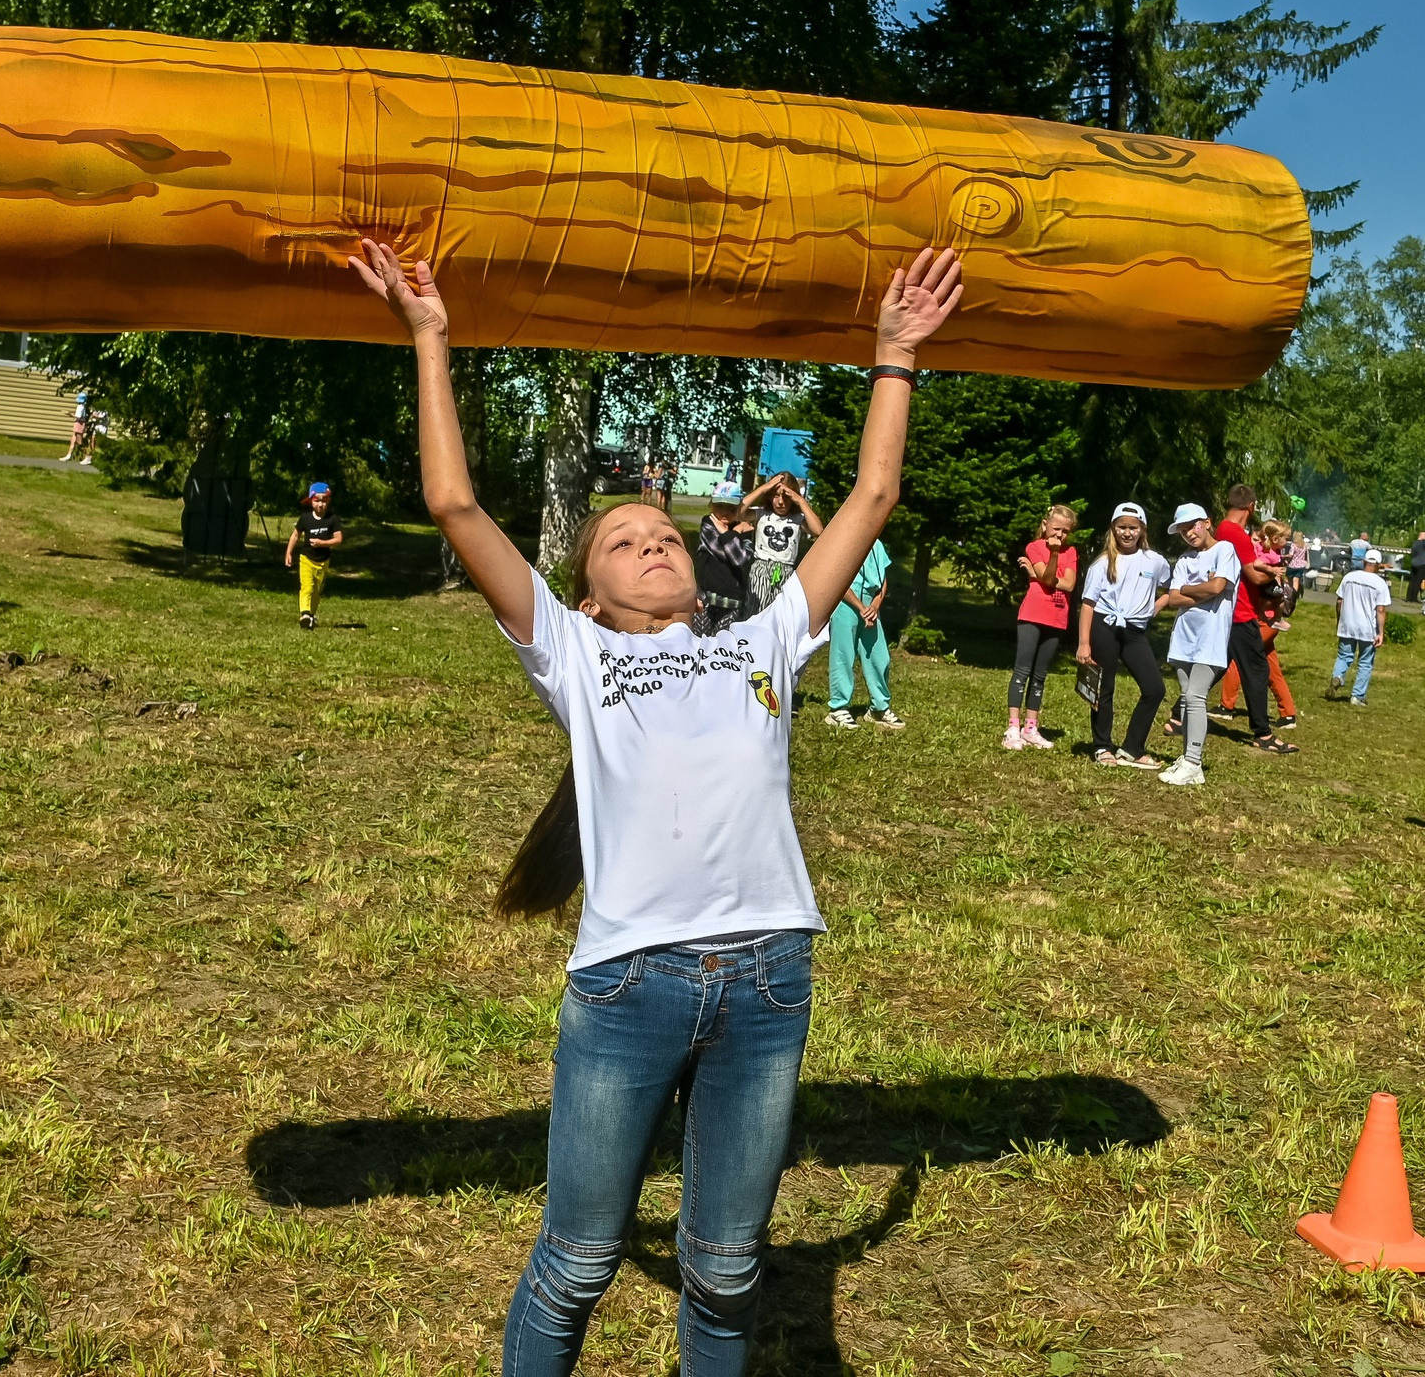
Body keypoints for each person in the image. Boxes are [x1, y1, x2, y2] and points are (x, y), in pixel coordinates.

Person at [347, 233, 963, 1374]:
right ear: (588, 589)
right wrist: (430, 335)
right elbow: (451, 499)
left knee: (726, 1270)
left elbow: (872, 497)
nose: (655, 547)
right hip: (630, 985)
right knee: (579, 1260)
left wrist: (894, 356)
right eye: (626, 543)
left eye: (667, 536)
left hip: (770, 975)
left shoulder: (765, 641)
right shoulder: (572, 655)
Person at [1076, 503, 1171, 768]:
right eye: (1122, 527)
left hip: (1134, 632)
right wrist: (1084, 643)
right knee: (1104, 688)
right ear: (1113, 529)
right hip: (1104, 628)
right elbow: (1088, 604)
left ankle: (1131, 749)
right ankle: (1102, 746)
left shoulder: (1155, 561)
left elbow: (1171, 588)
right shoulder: (1103, 563)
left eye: (1133, 527)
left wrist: (1156, 607)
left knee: (1154, 689)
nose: (1127, 533)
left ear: (1142, 530)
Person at [1155, 503, 1242, 786]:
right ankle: (1187, 760)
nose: (1189, 534)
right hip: (1183, 637)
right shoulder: (1184, 560)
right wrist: (1199, 589)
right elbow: (1174, 598)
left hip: (1211, 638)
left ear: (1207, 522)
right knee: (1185, 698)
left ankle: (1193, 761)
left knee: (1196, 697)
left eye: (1192, 526)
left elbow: (1218, 587)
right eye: (1182, 530)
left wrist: (1189, 589)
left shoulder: (1224, 550)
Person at [1214, 486, 1299, 756]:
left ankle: (1179, 715)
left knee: (1217, 665)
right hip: (1242, 613)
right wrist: (1275, 576)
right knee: (1257, 671)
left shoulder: (1222, 529)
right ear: (1251, 506)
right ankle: (1262, 733)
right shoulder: (1236, 534)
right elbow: (1254, 576)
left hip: (1236, 610)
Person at [1004, 504, 1077, 749]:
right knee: (1022, 670)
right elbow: (1051, 578)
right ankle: (1013, 726)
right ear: (1045, 526)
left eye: (1065, 532)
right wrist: (1051, 561)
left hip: (1056, 618)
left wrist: (1038, 576)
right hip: (1032, 615)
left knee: (1040, 675)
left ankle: (1031, 727)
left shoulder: (1072, 552)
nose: (1060, 536)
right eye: (1056, 529)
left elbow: (1068, 585)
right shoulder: (1034, 547)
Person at [825, 535, 902, 730]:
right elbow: (839, 579)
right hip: (846, 604)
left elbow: (882, 580)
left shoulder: (877, 544)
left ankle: (878, 708)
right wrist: (860, 607)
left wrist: (874, 606)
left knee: (879, 656)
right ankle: (838, 708)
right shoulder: (846, 541)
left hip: (870, 607)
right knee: (843, 655)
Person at [741, 472, 822, 617]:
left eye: (786, 497)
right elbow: (738, 513)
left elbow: (818, 530)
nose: (780, 502)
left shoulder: (798, 519)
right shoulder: (761, 514)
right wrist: (763, 489)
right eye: (776, 495)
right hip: (762, 569)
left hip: (786, 571)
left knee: (780, 617)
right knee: (756, 614)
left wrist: (801, 502)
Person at [1329, 547, 1392, 705]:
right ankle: (1357, 696)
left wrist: (1339, 620)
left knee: (1344, 656)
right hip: (1367, 628)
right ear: (1378, 565)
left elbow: (1339, 601)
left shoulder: (1349, 577)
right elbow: (1381, 609)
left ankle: (1338, 676)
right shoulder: (1380, 583)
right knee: (1365, 662)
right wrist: (1381, 632)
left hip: (1348, 624)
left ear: (1364, 562)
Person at [285, 481, 344, 629]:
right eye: (317, 500)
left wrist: (321, 543)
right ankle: (304, 614)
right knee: (307, 587)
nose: (320, 504)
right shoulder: (305, 518)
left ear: (328, 501)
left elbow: (338, 539)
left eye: (324, 500)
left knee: (317, 591)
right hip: (306, 558)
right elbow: (295, 536)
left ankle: (311, 615)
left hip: (323, 561)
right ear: (311, 501)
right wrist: (289, 552)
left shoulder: (333, 519)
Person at [693, 482, 752, 631]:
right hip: (706, 598)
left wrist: (728, 533)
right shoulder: (708, 523)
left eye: (731, 508)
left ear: (739, 508)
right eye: (720, 506)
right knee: (700, 642)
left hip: (733, 600)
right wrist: (735, 534)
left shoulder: (746, 530)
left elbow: (740, 559)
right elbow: (720, 552)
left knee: (723, 646)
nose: (725, 512)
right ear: (712, 506)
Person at [61, 390, 93, 462]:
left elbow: (78, 416)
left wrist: (69, 414)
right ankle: (69, 455)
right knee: (73, 440)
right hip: (78, 424)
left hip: (79, 424)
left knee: (79, 442)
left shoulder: (80, 407)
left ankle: (88, 457)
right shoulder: (82, 406)